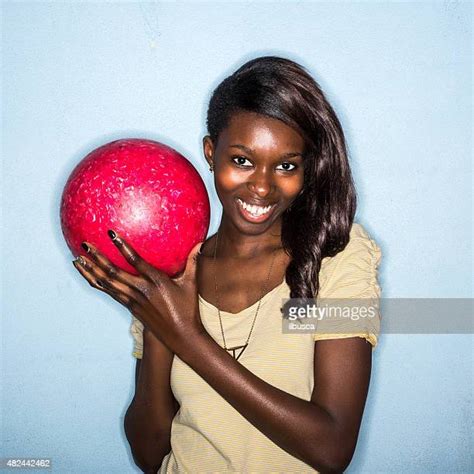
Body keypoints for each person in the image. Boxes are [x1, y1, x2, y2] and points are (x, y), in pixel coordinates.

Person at [73, 56, 382, 473]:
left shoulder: (340, 255)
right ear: (210, 152)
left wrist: (187, 337)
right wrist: (158, 322)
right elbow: (150, 455)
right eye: (242, 160)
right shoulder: (173, 267)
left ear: (306, 171)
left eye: (286, 166)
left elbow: (331, 447)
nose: (262, 185)